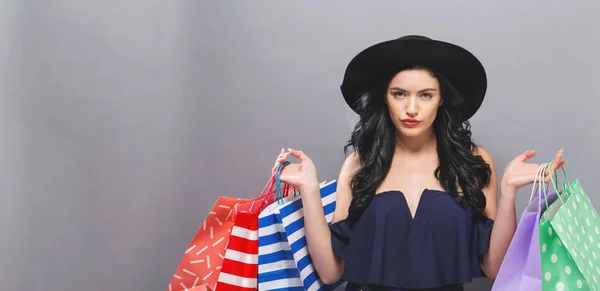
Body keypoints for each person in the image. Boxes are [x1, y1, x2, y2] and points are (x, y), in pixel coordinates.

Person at [272, 35, 566, 291]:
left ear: (441, 99)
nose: (411, 108)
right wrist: (309, 189)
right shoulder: (360, 163)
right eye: (399, 94)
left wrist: (510, 190)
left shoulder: (473, 161)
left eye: (425, 95)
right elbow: (330, 271)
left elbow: (494, 268)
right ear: (385, 98)